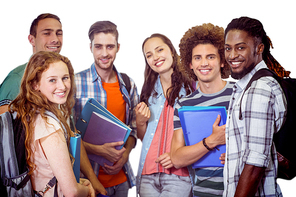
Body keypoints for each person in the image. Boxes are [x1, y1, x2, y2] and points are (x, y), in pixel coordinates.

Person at [9, 51, 95, 197]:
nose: (62, 86)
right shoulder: (49, 126)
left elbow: (46, 172)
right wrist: (87, 190)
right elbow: (71, 192)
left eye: (65, 78)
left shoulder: (33, 115)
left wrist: (77, 182)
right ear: (35, 84)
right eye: (52, 80)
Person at [223, 16, 290, 197]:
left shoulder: (258, 89)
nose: (232, 55)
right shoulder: (246, 86)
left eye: (240, 47)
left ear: (259, 48)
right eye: (228, 48)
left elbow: (255, 163)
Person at [74, 21, 138, 197]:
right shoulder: (73, 83)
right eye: (98, 46)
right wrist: (97, 150)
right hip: (87, 182)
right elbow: (66, 136)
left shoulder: (128, 84)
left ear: (118, 47)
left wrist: (124, 157)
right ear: (90, 47)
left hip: (121, 182)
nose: (104, 53)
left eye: (110, 47)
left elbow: (133, 130)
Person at [170, 23, 233, 197]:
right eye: (198, 58)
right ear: (190, 64)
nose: (204, 63)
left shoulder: (240, 93)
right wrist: (211, 141)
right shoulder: (183, 105)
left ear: (222, 61)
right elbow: (176, 158)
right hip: (203, 193)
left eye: (211, 57)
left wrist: (236, 155)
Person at [135, 33, 194, 196]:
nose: (155, 57)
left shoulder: (192, 87)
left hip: (179, 174)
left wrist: (177, 156)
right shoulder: (148, 90)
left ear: (172, 51)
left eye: (159, 50)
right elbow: (144, 137)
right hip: (148, 174)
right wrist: (140, 122)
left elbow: (198, 134)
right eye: (149, 55)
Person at [0, 13, 63, 114]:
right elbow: (4, 124)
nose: (55, 39)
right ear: (32, 40)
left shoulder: (64, 78)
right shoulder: (17, 79)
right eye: (47, 33)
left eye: (58, 33)